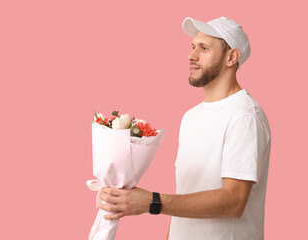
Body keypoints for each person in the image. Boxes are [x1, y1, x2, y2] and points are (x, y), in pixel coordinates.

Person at [98, 16, 271, 240]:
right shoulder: (191, 117)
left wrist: (152, 201)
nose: (192, 55)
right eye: (192, 47)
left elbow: (234, 202)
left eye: (204, 48)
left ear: (231, 57)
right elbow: (186, 195)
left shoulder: (244, 116)